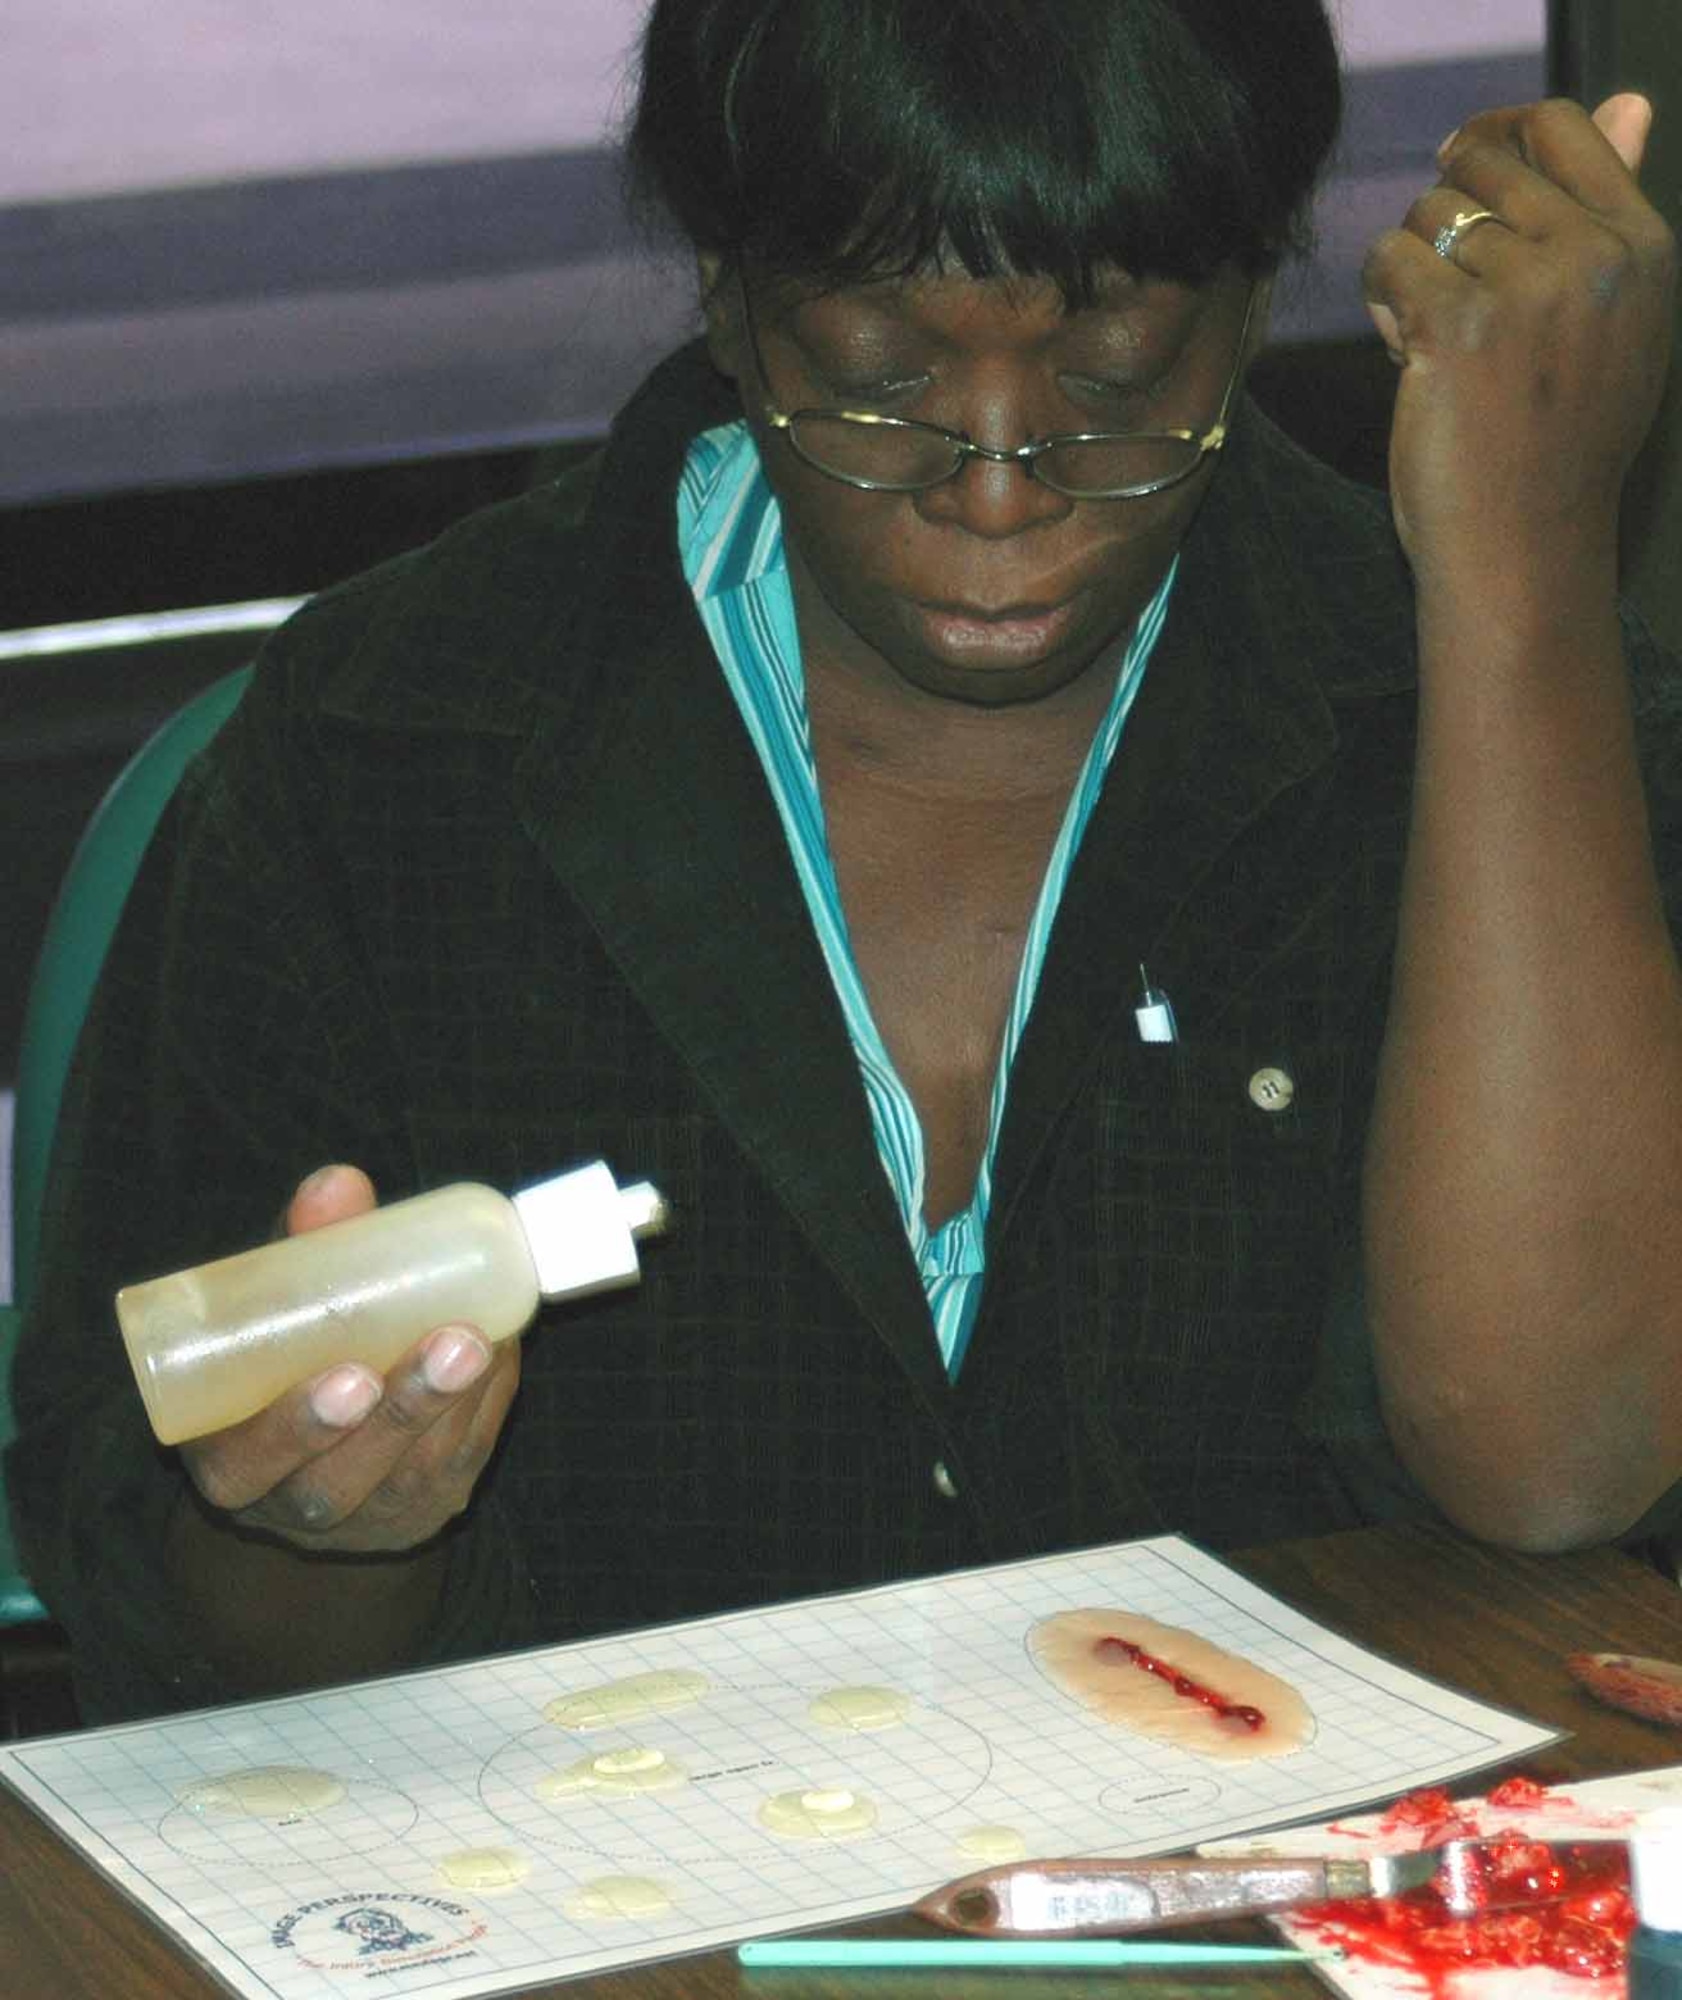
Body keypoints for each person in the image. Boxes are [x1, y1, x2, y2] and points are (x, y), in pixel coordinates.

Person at [9, 0, 1682, 1727]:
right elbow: (188, 1637)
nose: (996, 489)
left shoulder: (1478, 714)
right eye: (878, 385)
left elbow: (1562, 1469)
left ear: (1255, 304)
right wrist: (328, 1526)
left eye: (1112, 387)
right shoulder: (391, 748)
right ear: (731, 306)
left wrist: (1521, 572)